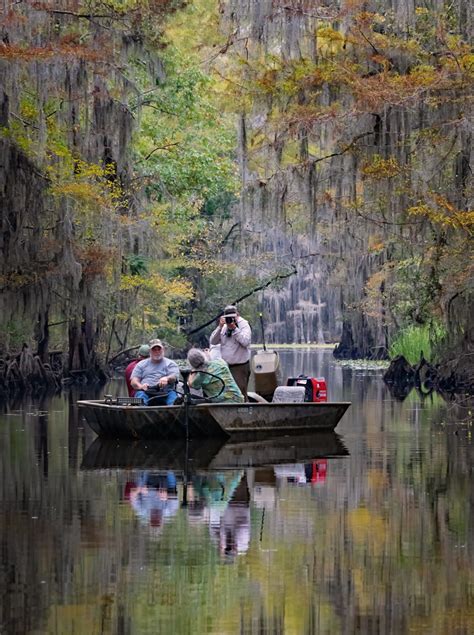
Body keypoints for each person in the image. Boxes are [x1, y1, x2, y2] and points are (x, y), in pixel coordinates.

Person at [209, 305, 251, 399]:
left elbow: (246, 342)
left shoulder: (243, 324)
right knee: (227, 393)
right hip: (226, 367)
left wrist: (235, 329)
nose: (230, 319)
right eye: (227, 318)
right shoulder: (223, 326)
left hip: (240, 366)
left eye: (232, 317)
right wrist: (219, 327)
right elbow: (213, 341)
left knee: (240, 393)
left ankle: (243, 411)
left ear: (237, 315)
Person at [130, 338, 179, 405]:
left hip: (166, 392)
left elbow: (174, 377)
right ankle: (141, 412)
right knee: (140, 396)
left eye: (159, 349)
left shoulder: (170, 364)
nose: (157, 351)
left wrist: (167, 378)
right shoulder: (141, 364)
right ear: (150, 351)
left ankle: (174, 413)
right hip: (146, 392)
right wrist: (140, 386)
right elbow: (133, 381)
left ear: (163, 349)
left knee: (173, 398)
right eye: (154, 349)